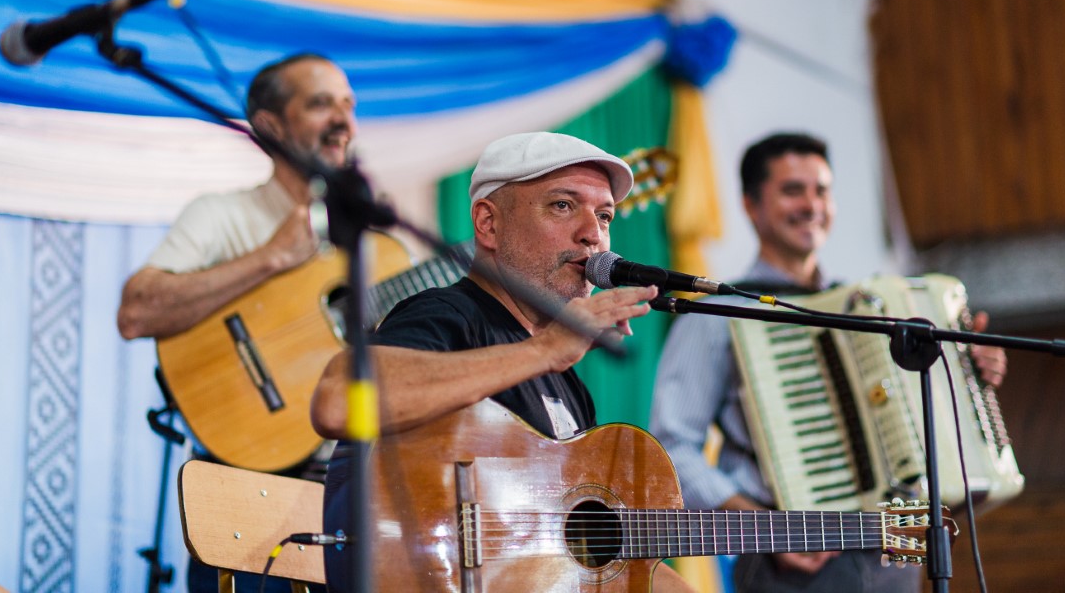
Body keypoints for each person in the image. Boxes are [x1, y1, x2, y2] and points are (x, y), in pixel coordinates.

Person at [310, 131, 695, 593]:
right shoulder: (450, 316)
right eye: (563, 205)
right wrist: (544, 350)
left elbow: (601, 561)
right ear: (488, 224)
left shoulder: (569, 385)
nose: (594, 234)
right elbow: (336, 402)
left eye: (604, 215)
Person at [649, 132, 1007, 593]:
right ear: (751, 205)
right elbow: (671, 446)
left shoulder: (870, 309)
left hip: (890, 550)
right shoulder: (715, 314)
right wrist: (761, 527)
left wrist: (969, 374)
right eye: (792, 190)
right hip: (790, 562)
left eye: (821, 190)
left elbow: (917, 423)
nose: (811, 205)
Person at [116, 52, 355, 593]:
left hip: (348, 497)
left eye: (349, 104)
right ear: (270, 126)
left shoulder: (370, 243)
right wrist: (268, 258)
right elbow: (136, 311)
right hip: (250, 493)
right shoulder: (221, 214)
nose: (344, 120)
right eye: (321, 103)